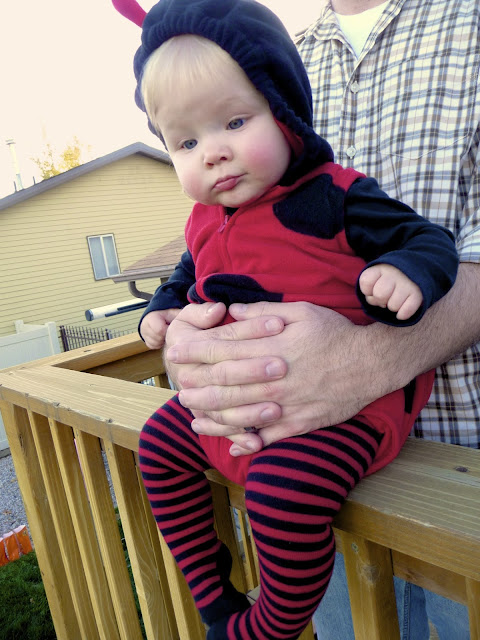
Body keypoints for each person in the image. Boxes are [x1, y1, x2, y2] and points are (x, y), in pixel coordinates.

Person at [129, 1, 479, 639]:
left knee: (281, 495)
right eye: (186, 142)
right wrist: (163, 312)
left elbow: (426, 240)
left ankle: (270, 625)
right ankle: (214, 597)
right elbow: (185, 275)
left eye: (235, 121)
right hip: (244, 413)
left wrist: (406, 273)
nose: (214, 153)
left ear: (284, 114)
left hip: (353, 412)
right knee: (156, 448)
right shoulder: (205, 219)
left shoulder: (334, 194)